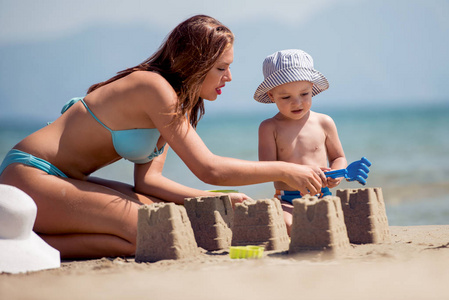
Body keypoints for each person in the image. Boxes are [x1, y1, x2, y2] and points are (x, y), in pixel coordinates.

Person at [0, 16, 325, 259]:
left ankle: (34, 239)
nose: (229, 77)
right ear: (197, 62)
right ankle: (23, 245)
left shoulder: (177, 101)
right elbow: (209, 168)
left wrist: (212, 198)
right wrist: (286, 170)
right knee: (153, 234)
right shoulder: (152, 87)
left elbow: (149, 182)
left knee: (165, 220)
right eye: (221, 68)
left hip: (64, 181)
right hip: (31, 175)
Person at [254, 49, 347, 234]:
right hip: (287, 198)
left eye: (304, 94)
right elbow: (267, 169)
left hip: (322, 194)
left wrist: (337, 174)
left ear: (312, 89)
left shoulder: (324, 122)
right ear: (272, 96)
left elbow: (339, 157)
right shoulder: (269, 127)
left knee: (337, 221)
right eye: (286, 97)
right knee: (287, 225)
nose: (297, 103)